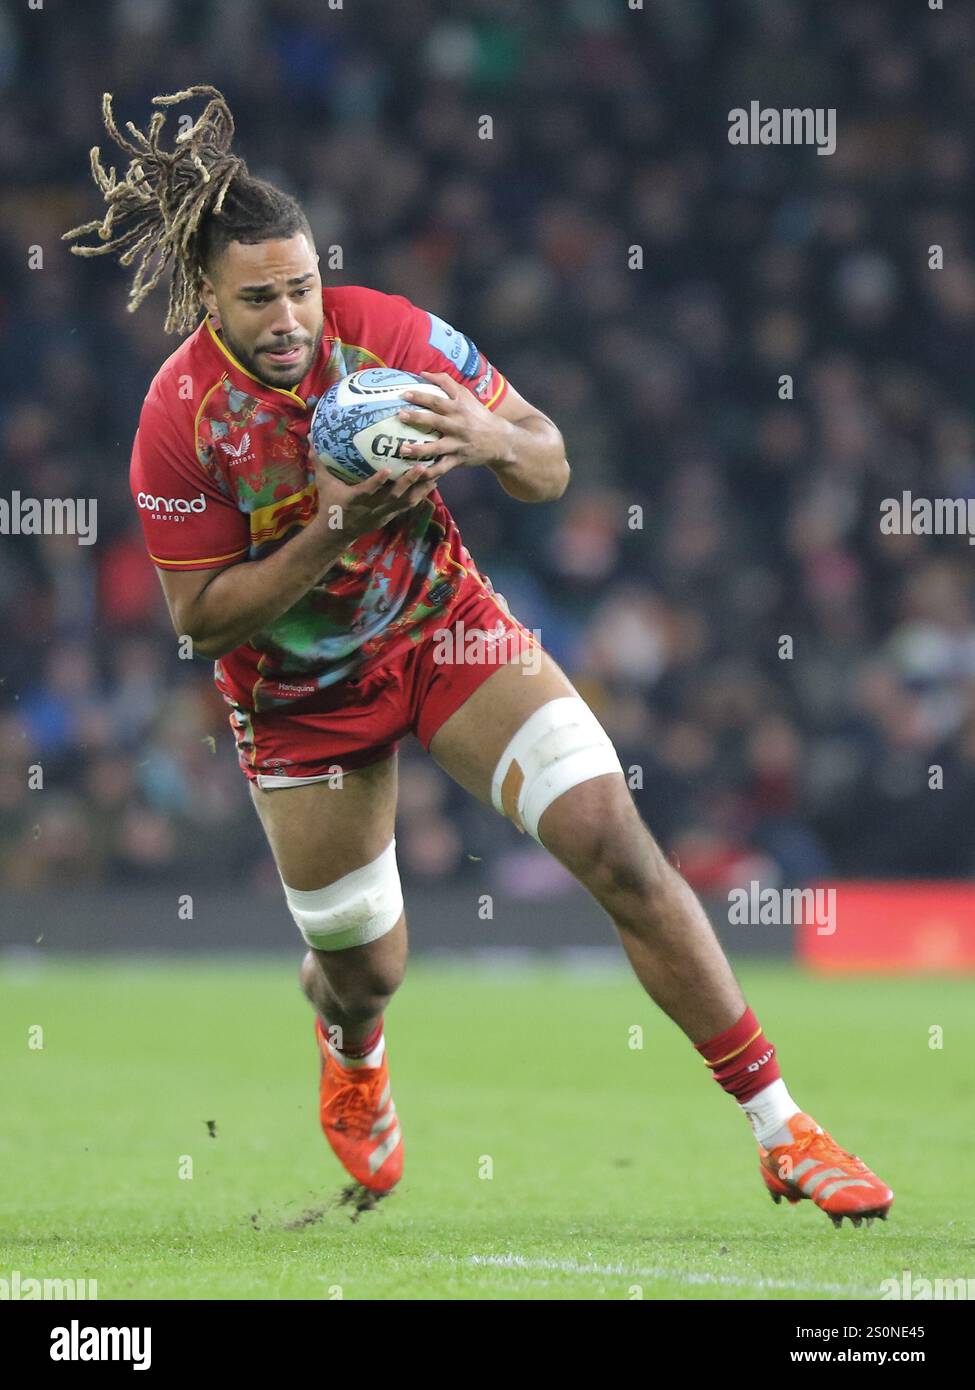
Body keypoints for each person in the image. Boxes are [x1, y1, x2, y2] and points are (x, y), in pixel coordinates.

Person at [65, 87, 892, 1225]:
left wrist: (489, 438)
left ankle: (781, 1124)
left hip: (445, 630)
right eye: (260, 298)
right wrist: (337, 527)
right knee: (368, 969)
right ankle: (351, 1046)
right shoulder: (180, 417)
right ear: (206, 297)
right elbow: (201, 622)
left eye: (302, 285)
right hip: (300, 697)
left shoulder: (390, 333)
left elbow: (550, 461)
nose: (292, 317)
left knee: (613, 840)